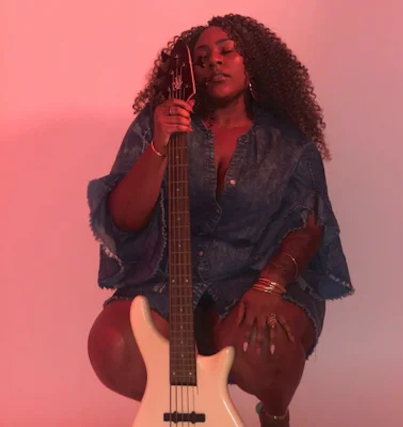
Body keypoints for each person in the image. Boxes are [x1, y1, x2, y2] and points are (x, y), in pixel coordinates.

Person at [86, 13, 354, 426]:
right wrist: (159, 146)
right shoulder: (156, 124)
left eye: (227, 51)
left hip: (251, 278)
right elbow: (124, 219)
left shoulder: (288, 143)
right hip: (168, 279)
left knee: (265, 344)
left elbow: (310, 225)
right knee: (113, 343)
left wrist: (270, 284)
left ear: (254, 62)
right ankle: (187, 406)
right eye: (201, 58)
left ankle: (275, 415)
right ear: (189, 74)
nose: (214, 61)